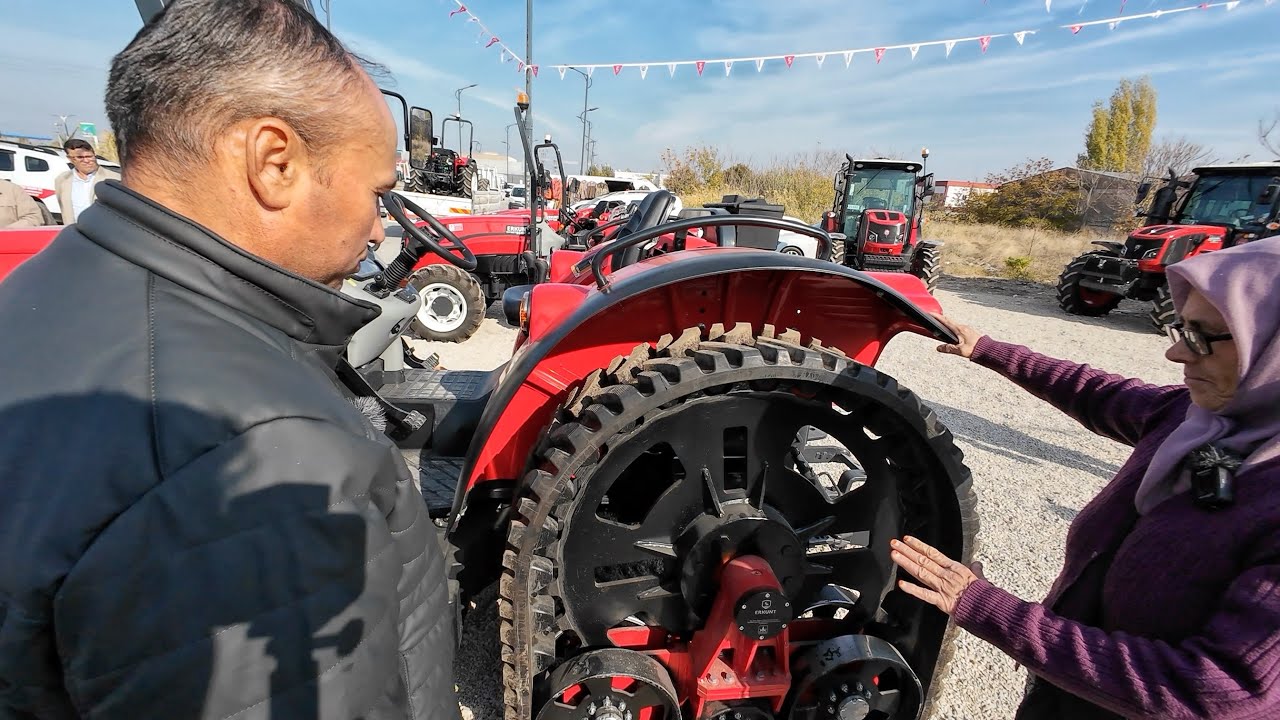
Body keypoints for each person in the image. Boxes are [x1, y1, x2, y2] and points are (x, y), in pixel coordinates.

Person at [0, 1, 459, 719]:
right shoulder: (257, 456)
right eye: (376, 192)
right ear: (274, 163)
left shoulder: (41, 293)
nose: (377, 229)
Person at [889, 237, 1280, 718]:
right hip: (1070, 694)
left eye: (1202, 337)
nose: (1176, 353)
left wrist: (989, 609)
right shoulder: (1197, 415)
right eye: (1180, 328)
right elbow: (1098, 393)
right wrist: (988, 350)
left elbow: (1218, 691)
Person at [54, 138, 120, 224]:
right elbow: (64, 209)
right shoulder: (62, 180)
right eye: (80, 157)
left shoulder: (114, 178)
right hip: (75, 229)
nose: (86, 161)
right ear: (70, 158)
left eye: (89, 156)